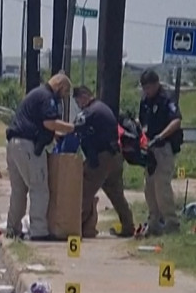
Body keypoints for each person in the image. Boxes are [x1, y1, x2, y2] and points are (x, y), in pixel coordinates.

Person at [4, 73, 75, 240]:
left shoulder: (36, 94)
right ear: (59, 85)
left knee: (19, 191)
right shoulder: (47, 97)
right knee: (39, 188)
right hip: (28, 146)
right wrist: (71, 128)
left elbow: (39, 123)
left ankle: (13, 228)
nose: (63, 96)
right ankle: (39, 231)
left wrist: (54, 135)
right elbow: (49, 122)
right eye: (64, 91)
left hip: (14, 144)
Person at [73, 86, 135, 239]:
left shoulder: (91, 111)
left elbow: (76, 126)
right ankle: (128, 226)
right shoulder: (102, 108)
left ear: (85, 96)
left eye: (78, 100)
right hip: (115, 156)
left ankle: (73, 228)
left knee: (83, 192)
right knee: (117, 195)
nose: (78, 104)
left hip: (102, 158)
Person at [139, 69, 183, 236]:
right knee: (149, 188)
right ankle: (154, 223)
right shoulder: (144, 101)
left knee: (161, 185)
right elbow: (143, 122)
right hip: (149, 148)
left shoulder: (166, 99)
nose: (147, 91)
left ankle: (171, 223)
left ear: (156, 84)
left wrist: (160, 136)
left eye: (149, 87)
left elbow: (176, 121)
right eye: (144, 88)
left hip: (164, 147)